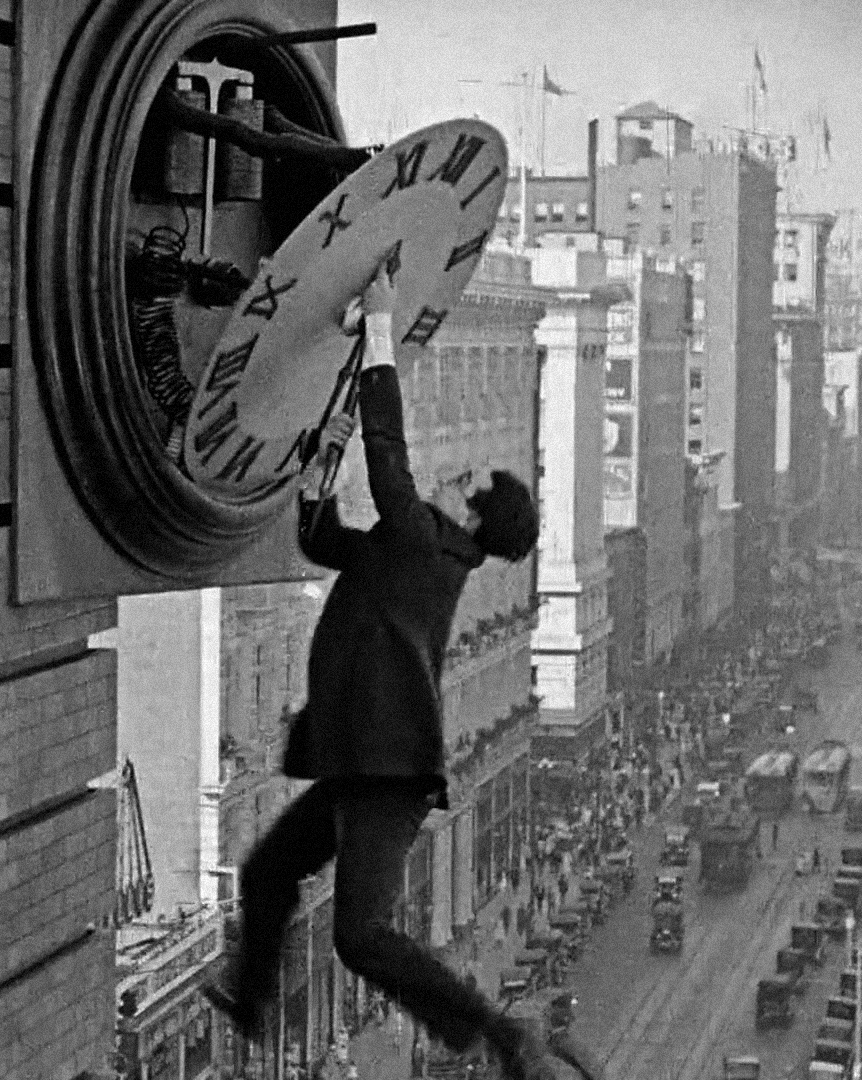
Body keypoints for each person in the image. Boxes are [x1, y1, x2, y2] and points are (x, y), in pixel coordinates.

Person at [203, 266, 580, 1080]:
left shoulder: (424, 545)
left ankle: (496, 1033)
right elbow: (319, 540)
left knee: (360, 934)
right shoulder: (409, 551)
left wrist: (379, 333)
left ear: (474, 513)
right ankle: (253, 1002)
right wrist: (316, 468)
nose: (459, 475)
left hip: (387, 774)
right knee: (267, 871)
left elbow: (390, 460)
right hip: (358, 763)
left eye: (471, 481)